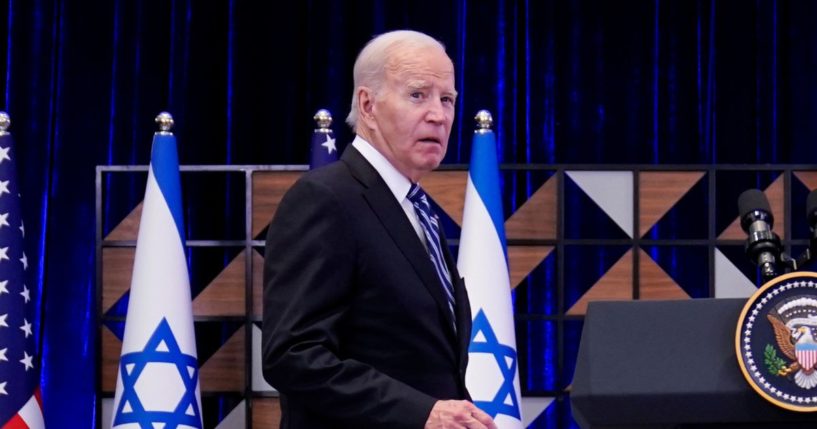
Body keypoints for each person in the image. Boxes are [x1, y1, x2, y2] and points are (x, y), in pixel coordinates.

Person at [262, 29, 497, 429]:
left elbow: (427, 363)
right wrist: (421, 412)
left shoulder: (419, 211)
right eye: (418, 95)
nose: (438, 115)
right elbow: (292, 354)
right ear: (368, 106)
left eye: (447, 99)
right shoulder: (326, 199)